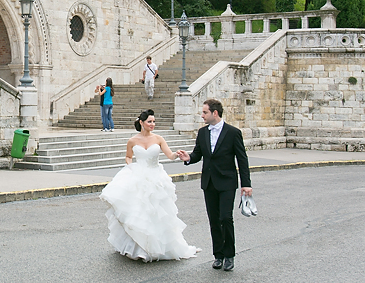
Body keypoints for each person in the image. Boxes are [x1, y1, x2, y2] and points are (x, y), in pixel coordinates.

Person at [100, 110, 199, 262]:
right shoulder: (132, 141)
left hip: (155, 177)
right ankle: (138, 247)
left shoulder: (159, 139)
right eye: (149, 122)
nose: (152, 124)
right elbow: (128, 157)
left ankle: (159, 246)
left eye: (154, 122)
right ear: (141, 122)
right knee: (138, 211)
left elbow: (169, 155)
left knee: (157, 212)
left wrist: (177, 155)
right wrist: (130, 167)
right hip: (138, 175)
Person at [176, 98, 252, 272]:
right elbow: (198, 154)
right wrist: (188, 158)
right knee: (214, 220)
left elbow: (242, 159)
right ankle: (218, 255)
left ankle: (229, 255)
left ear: (214, 113)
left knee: (226, 218)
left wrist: (246, 184)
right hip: (209, 183)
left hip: (227, 182)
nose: (202, 115)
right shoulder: (203, 133)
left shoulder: (233, 133)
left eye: (204, 112)